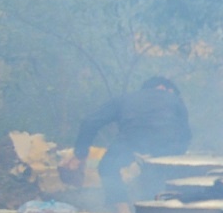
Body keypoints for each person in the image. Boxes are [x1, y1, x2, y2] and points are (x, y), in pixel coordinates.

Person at [66, 77, 192, 206]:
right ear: (166, 89)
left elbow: (90, 121)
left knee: (108, 167)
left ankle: (122, 210)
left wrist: (81, 153)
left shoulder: (126, 98)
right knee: (159, 176)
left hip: (131, 140)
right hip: (167, 144)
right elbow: (186, 134)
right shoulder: (175, 100)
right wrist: (176, 153)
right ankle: (159, 211)